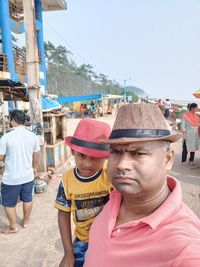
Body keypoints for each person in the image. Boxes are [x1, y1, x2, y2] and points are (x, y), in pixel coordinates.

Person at [84, 103, 200, 267]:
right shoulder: (115, 197)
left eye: (138, 153)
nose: (122, 165)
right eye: (115, 152)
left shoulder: (183, 244)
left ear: (167, 159)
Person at [54, 118, 112, 267]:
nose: (88, 164)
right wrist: (68, 253)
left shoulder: (110, 178)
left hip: (109, 242)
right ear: (73, 151)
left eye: (95, 158)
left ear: (106, 157)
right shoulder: (67, 180)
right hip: (82, 241)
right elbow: (63, 213)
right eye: (82, 156)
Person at [0, 110, 40, 234]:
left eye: (9, 119)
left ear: (13, 121)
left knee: (9, 203)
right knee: (27, 199)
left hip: (12, 178)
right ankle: (26, 222)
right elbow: (36, 154)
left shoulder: (6, 137)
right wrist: (35, 168)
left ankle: (13, 227)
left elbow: (0, 157)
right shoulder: (32, 136)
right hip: (28, 176)